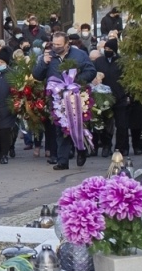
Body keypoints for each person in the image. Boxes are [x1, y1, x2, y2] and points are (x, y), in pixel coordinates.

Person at [31, 30, 97, 170]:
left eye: (59, 45)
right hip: (57, 98)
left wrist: (75, 81)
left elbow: (91, 71)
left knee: (77, 126)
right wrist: (43, 63)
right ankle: (62, 161)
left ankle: (81, 150)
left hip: (76, 96)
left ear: (67, 44)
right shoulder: (48, 56)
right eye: (54, 44)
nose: (56, 47)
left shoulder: (79, 55)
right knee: (60, 128)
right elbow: (37, 75)